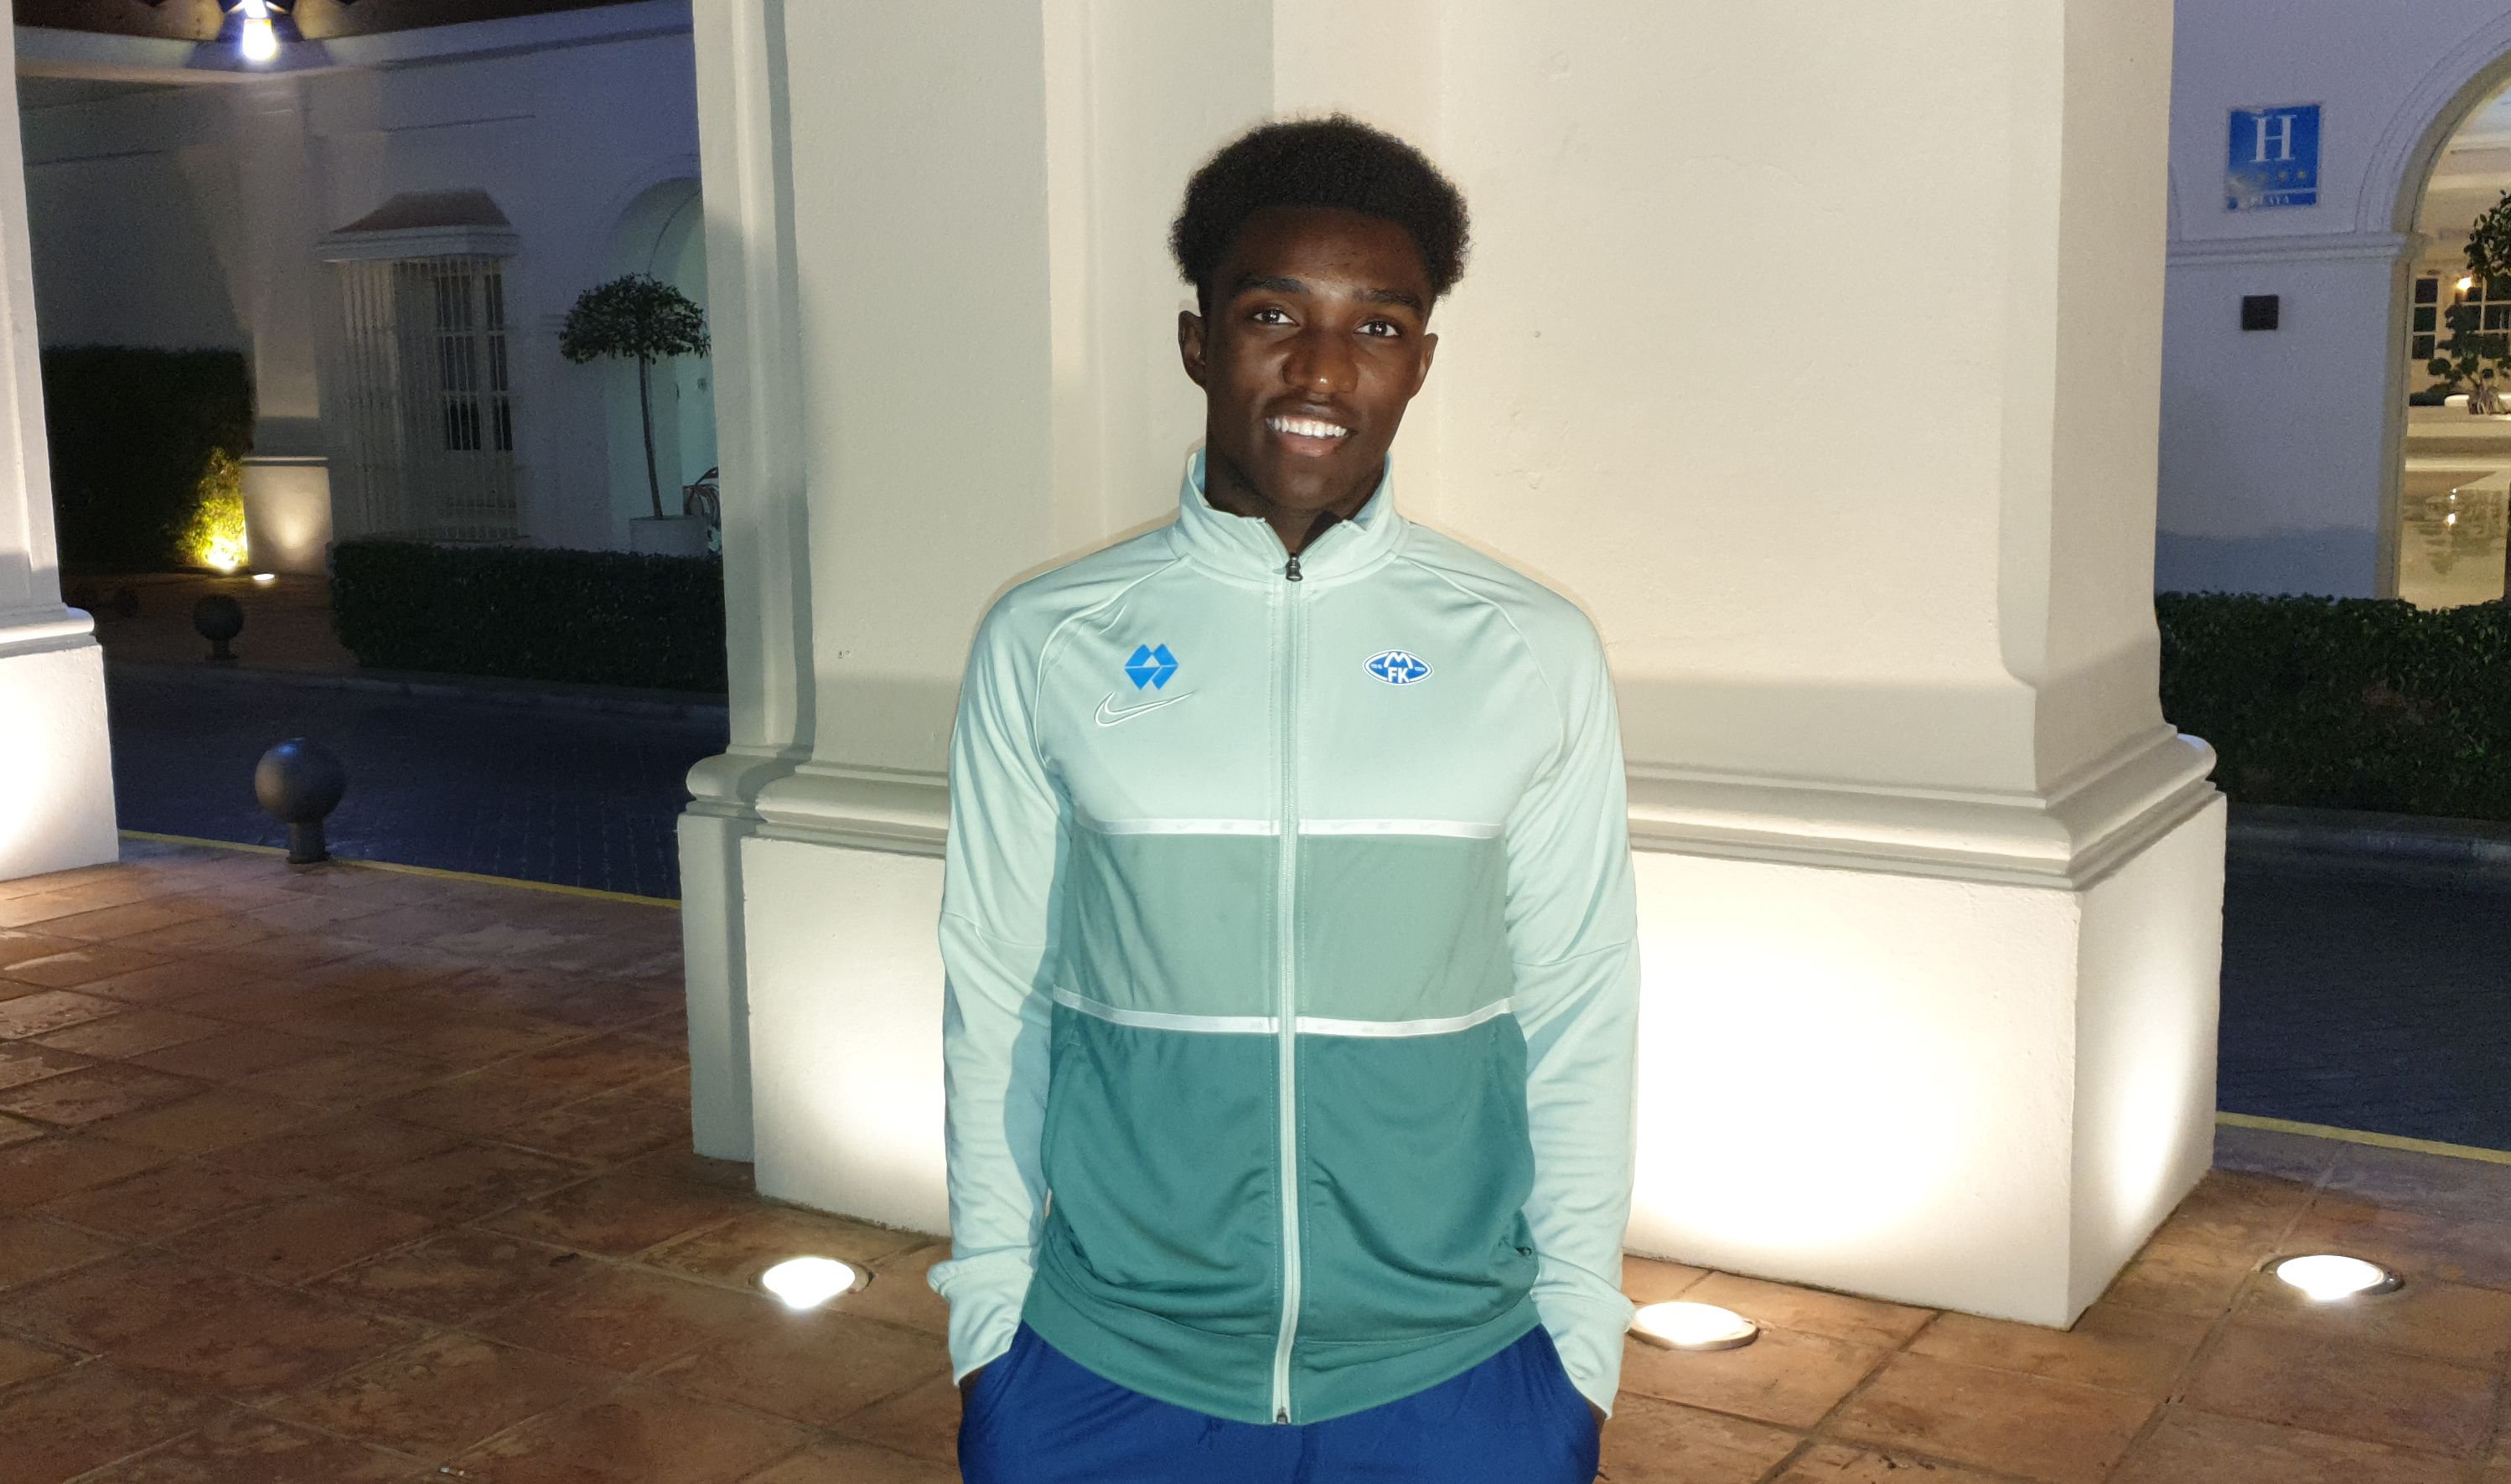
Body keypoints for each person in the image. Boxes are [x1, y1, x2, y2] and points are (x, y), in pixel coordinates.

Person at [932, 114, 1639, 1484]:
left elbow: (1578, 1011)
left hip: (1460, 1375)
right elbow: (996, 997)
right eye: (1273, 315)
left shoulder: (1530, 650)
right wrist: (989, 1331)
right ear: (1199, 340)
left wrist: (1577, 1349)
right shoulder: (1050, 639)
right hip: (1103, 1369)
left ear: (1420, 362)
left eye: (1376, 326)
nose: (1321, 367)